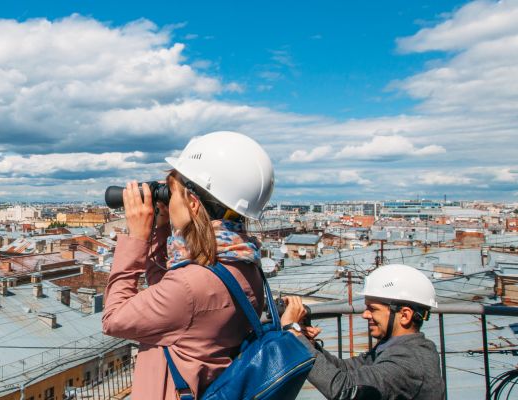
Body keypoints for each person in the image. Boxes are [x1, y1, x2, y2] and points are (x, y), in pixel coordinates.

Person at [102, 131, 275, 399]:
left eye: (172, 194)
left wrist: (136, 238)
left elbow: (114, 319)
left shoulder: (191, 285)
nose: (169, 203)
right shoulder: (243, 264)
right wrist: (159, 230)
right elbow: (167, 304)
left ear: (193, 204)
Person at [281, 264, 445, 400]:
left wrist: (292, 333)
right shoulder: (396, 348)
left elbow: (345, 389)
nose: (365, 315)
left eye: (372, 309)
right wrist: (307, 343)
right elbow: (345, 370)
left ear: (404, 315)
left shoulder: (409, 362)